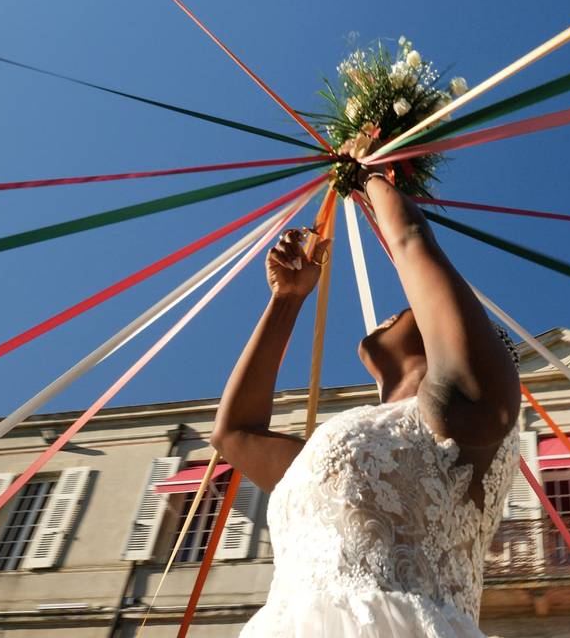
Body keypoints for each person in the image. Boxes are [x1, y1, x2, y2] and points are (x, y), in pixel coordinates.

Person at [210, 163, 522, 637]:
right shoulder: (358, 441)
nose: (386, 316)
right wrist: (287, 299)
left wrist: (368, 171)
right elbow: (234, 435)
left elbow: (412, 239)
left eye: (404, 310)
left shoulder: (463, 408)